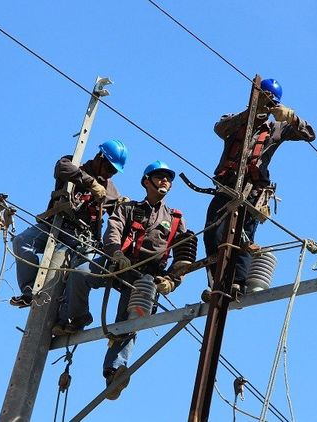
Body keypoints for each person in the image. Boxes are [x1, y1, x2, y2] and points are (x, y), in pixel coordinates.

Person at [60, 160, 187, 400]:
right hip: (119, 262)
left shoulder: (176, 219)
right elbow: (114, 229)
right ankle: (77, 317)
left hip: (145, 277)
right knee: (81, 273)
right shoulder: (128, 208)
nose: (165, 181)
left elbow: (183, 257)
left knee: (130, 321)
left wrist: (171, 280)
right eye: (160, 176)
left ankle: (114, 371)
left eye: (168, 178)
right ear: (146, 181)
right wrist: (116, 253)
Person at [203, 78, 316, 293]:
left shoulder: (276, 128)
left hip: (252, 191)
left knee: (244, 238)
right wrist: (251, 113)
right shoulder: (236, 121)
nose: (265, 103)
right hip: (227, 187)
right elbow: (220, 128)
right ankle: (216, 282)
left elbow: (310, 134)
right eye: (262, 98)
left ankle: (238, 284)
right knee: (212, 232)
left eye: (269, 100)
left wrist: (291, 117)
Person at [9, 139, 128, 312]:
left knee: (78, 274)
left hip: (81, 239)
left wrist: (124, 206)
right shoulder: (75, 164)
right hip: (55, 226)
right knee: (21, 241)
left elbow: (120, 217)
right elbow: (61, 167)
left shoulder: (110, 190)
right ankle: (30, 291)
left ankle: (70, 317)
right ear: (99, 158)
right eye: (109, 168)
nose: (110, 174)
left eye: (114, 172)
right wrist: (91, 183)